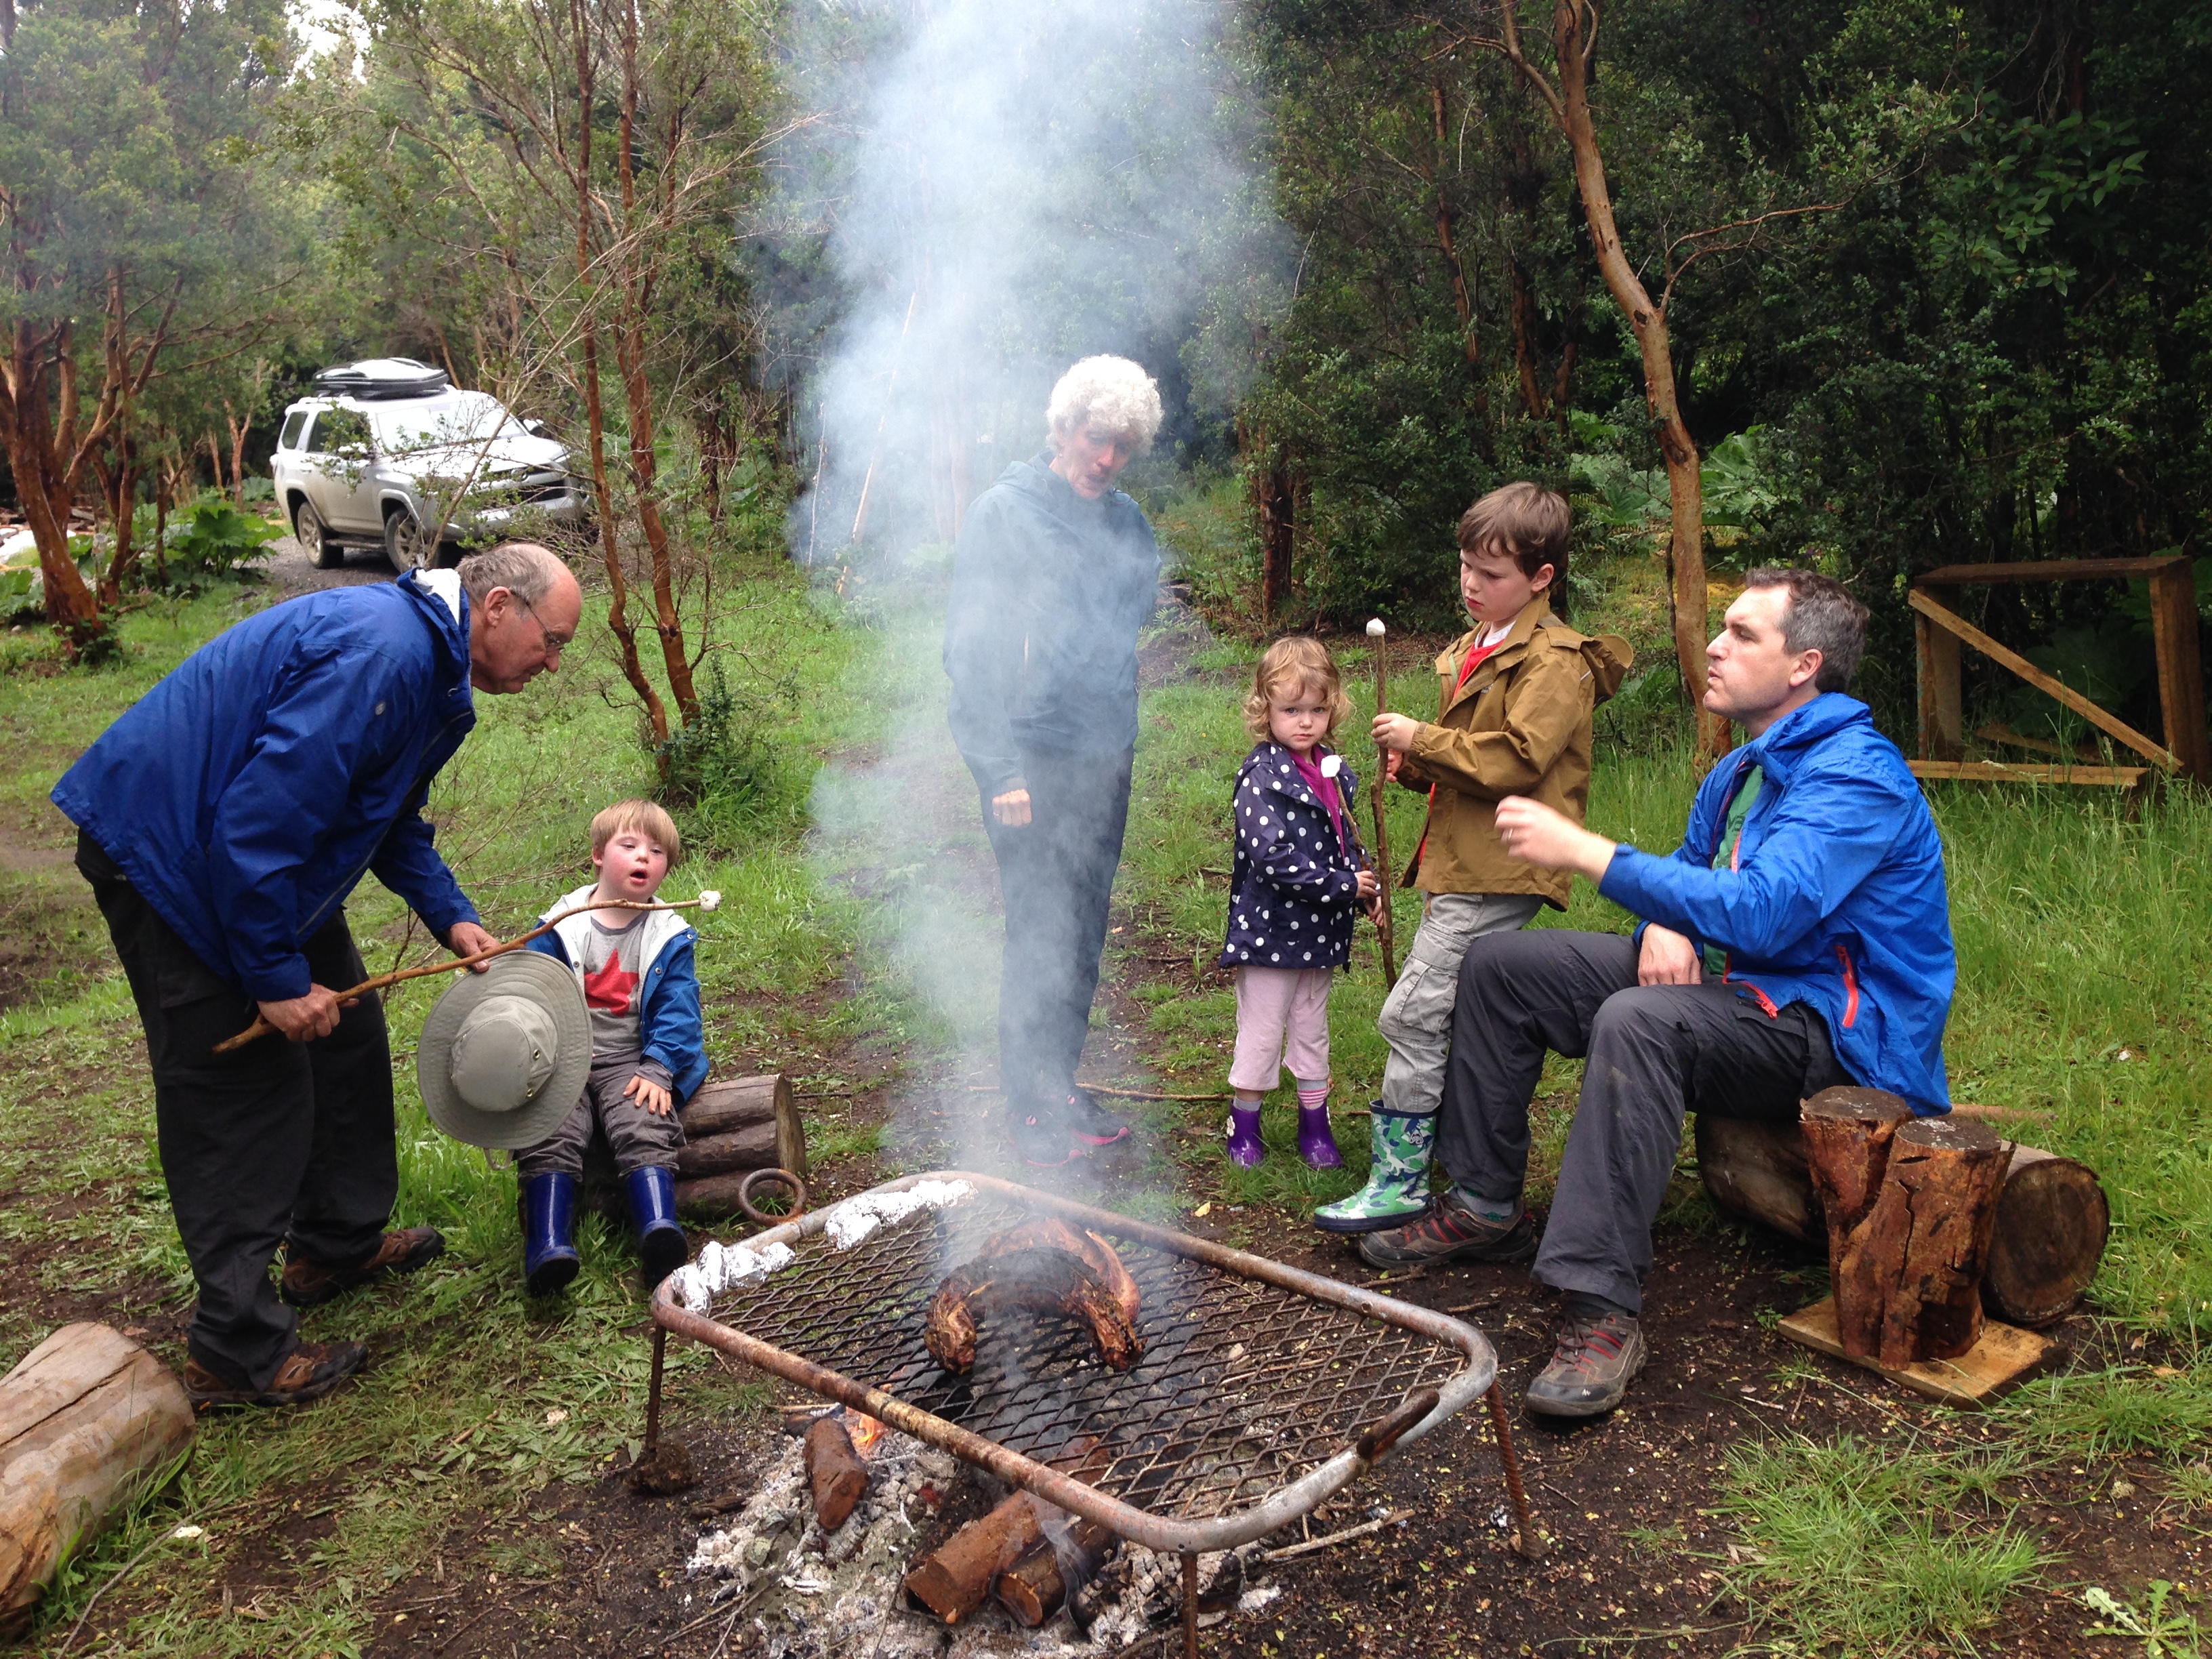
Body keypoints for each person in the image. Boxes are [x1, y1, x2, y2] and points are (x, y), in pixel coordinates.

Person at [1361, 567, 1955, 1419]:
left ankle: (1600, 1306)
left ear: (1804, 666)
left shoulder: (1856, 776)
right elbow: (1690, 879)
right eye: (1722, 628)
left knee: (1639, 1021)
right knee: (1501, 966)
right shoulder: (1742, 769)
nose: (1713, 645)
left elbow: (1766, 910)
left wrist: (1588, 852)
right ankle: (1487, 1204)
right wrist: (1660, 925)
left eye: (1742, 634)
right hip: (1745, 992)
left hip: (1841, 1033)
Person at [52, 541, 583, 1409]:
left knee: (347, 1037)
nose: (553, 663)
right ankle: (235, 1353)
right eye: (552, 641)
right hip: (176, 859)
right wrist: (272, 978)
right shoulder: (385, 654)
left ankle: (334, 1246)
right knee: (239, 1094)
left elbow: (384, 812)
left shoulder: (429, 666)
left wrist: (450, 913)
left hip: (259, 864)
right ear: (496, 609)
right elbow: (255, 824)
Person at [1314, 484, 1631, 1233]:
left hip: (1498, 868)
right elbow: (1469, 763)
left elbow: (1519, 759)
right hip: (1460, 862)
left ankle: (1399, 1181)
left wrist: (1422, 739)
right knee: (1454, 1013)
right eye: (1466, 566)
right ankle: (1454, 1160)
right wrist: (1416, 767)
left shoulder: (1555, 662)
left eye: (1491, 574)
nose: (1471, 584)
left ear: (1542, 576)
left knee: (1412, 1014)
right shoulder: (1478, 645)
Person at [943, 355, 1165, 1166]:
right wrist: (999, 770)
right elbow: (971, 655)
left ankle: (1060, 1081)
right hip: (1029, 756)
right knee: (1039, 927)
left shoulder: (1126, 520)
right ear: (1064, 426)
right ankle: (1028, 1106)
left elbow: (1135, 609)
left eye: (1123, 448)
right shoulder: (1004, 514)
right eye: (1097, 438)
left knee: (1084, 925)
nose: (1106, 459)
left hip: (1105, 752)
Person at [516, 800, 706, 1295]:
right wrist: (545, 1059)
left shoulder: (668, 934)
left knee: (643, 1119)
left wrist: (659, 1067)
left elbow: (679, 1010)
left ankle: (659, 1231)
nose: (644, 857)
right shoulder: (560, 927)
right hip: (564, 1059)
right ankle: (548, 1245)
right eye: (630, 845)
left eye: (657, 852)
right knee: (550, 1128)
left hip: (631, 1060)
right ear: (599, 855)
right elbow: (531, 998)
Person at [1218, 637, 1380, 1169]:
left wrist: (1367, 891)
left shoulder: (1335, 769)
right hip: (1270, 932)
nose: (1306, 722)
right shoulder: (1260, 776)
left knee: (1312, 1030)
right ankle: (1244, 1126)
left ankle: (1315, 1126)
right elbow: (1273, 858)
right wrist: (1341, 886)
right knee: (1263, 1032)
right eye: (1292, 710)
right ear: (1265, 709)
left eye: (1317, 709)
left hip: (1320, 933)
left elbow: (1347, 841)